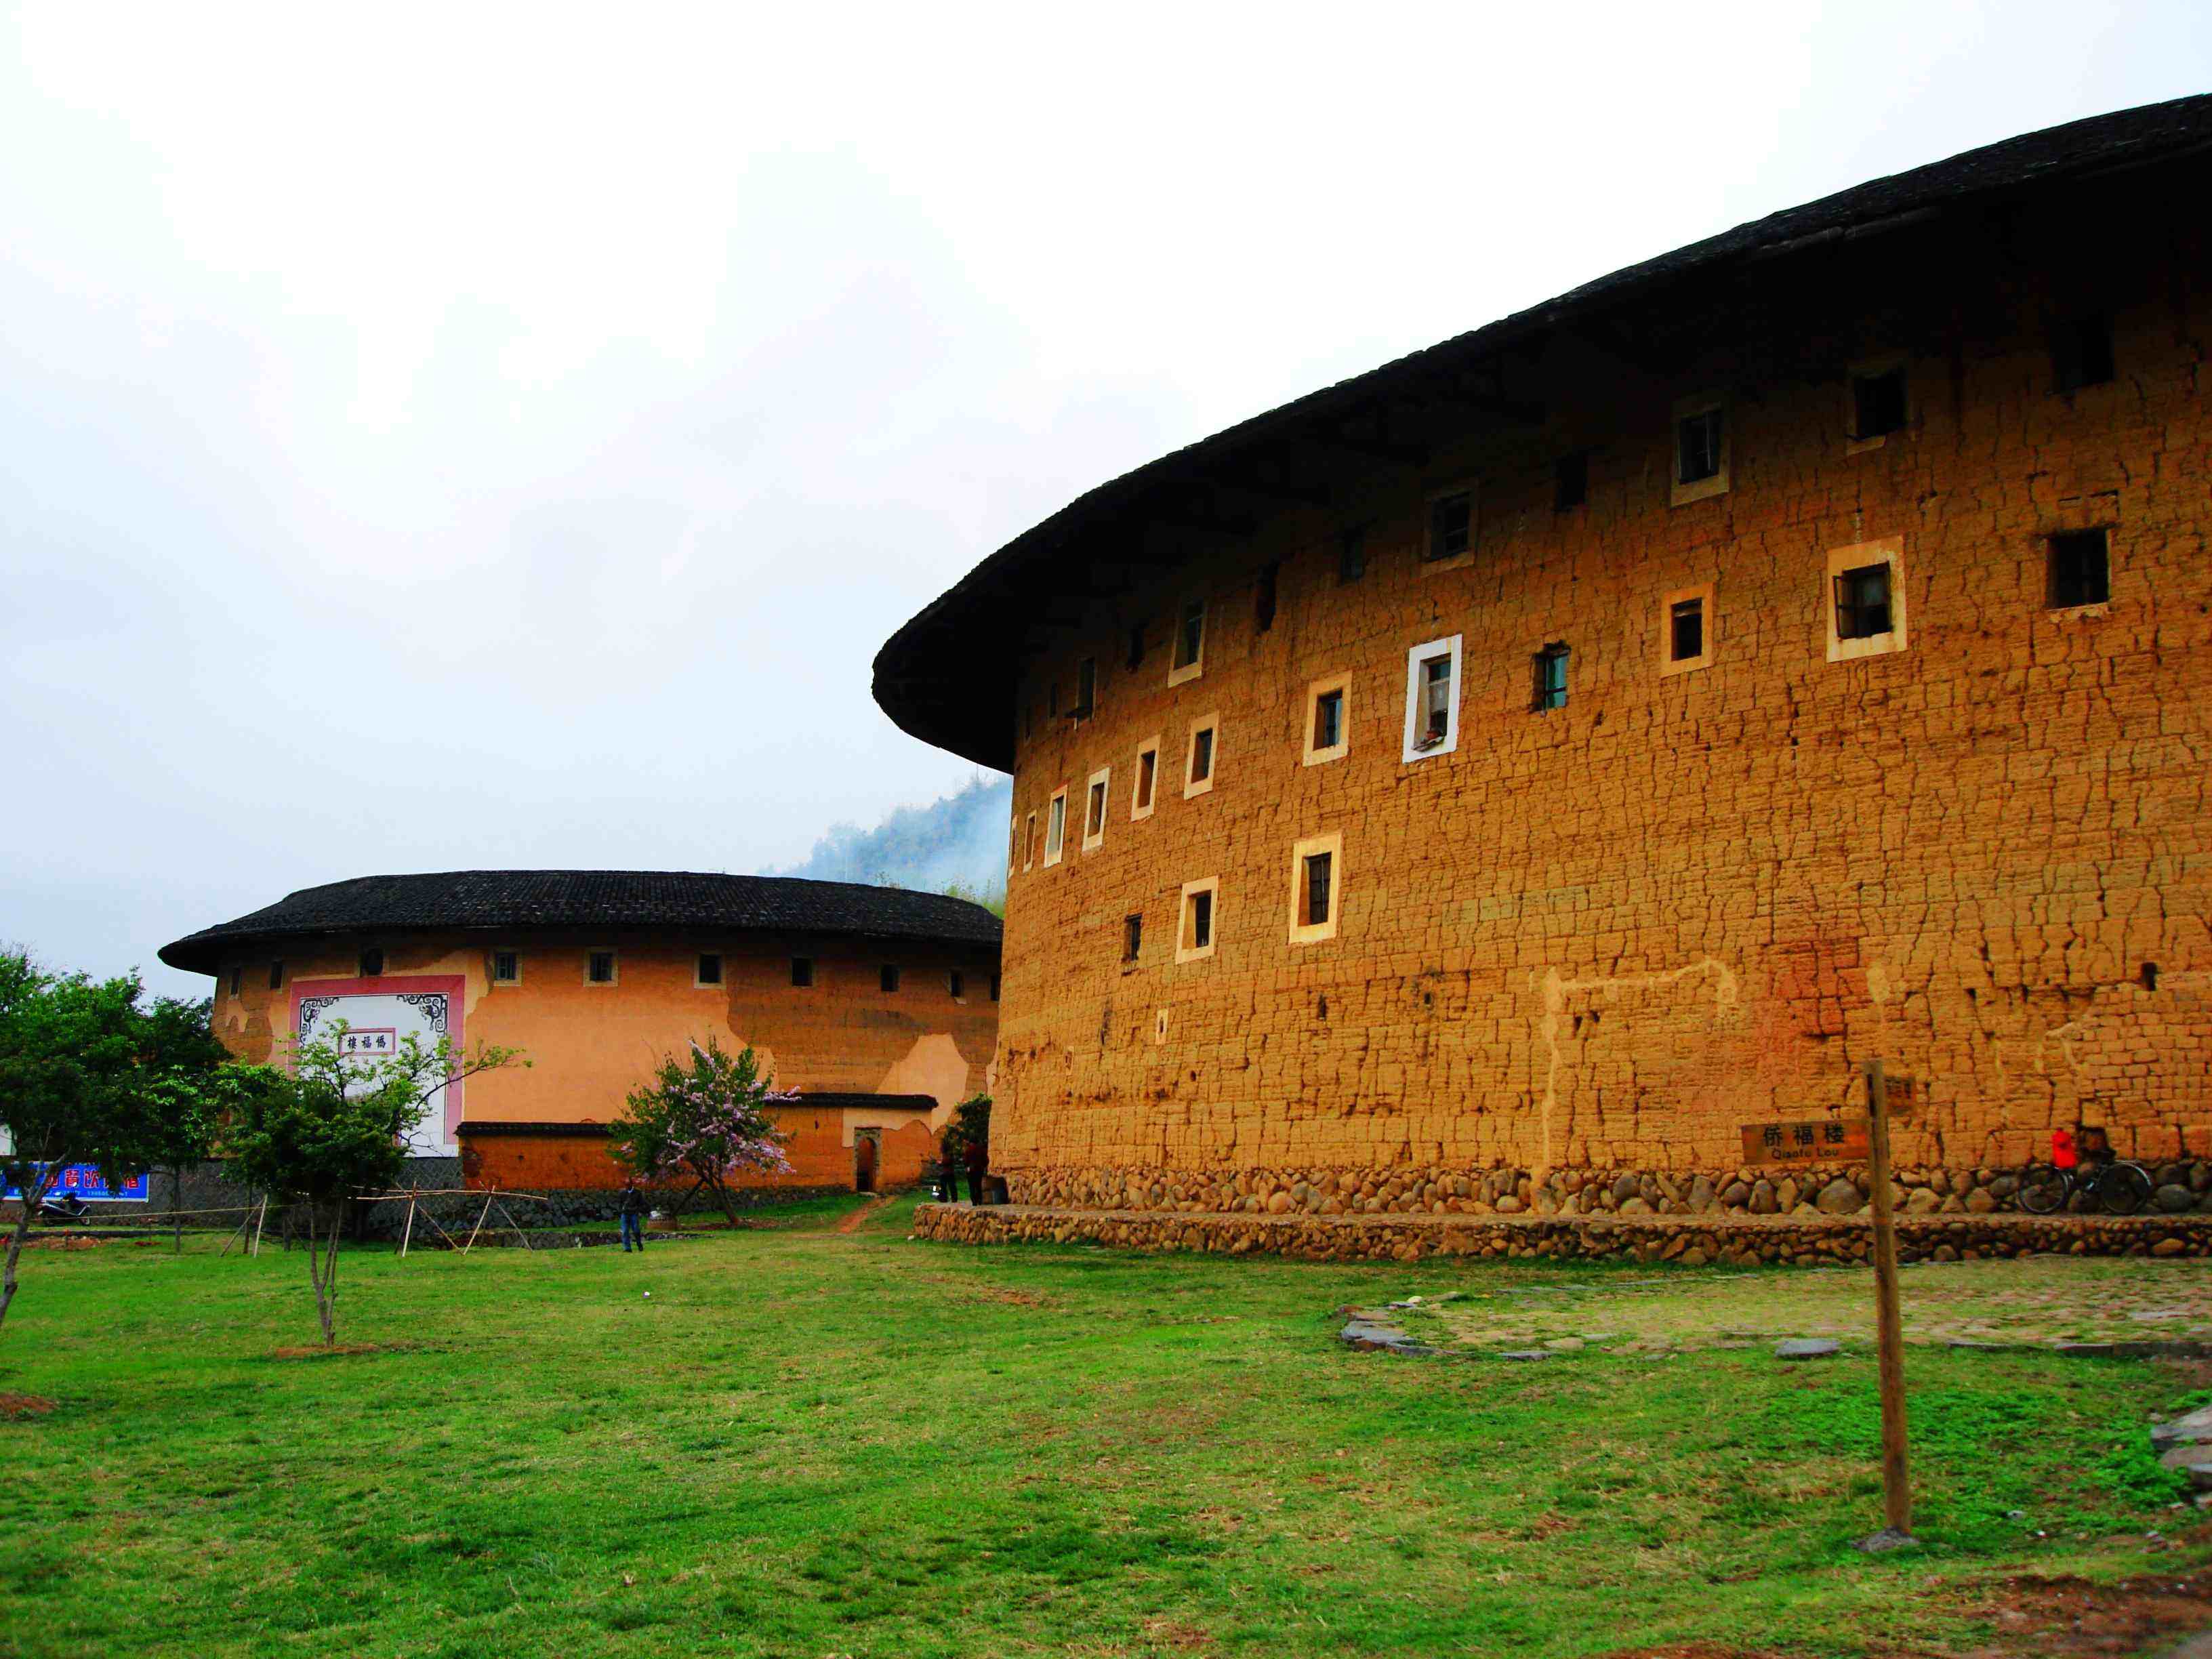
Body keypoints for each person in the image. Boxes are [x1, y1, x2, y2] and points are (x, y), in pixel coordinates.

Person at [617, 1180, 645, 1252]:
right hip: (625, 1213)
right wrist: (621, 1211)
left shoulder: (638, 1192)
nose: (626, 1186)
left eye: (628, 1185)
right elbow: (620, 1203)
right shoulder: (622, 1192)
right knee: (625, 1231)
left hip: (634, 1213)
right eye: (625, 1185)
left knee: (636, 1230)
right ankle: (627, 1248)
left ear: (631, 1184)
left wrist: (639, 1211)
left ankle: (639, 1244)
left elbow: (641, 1203)